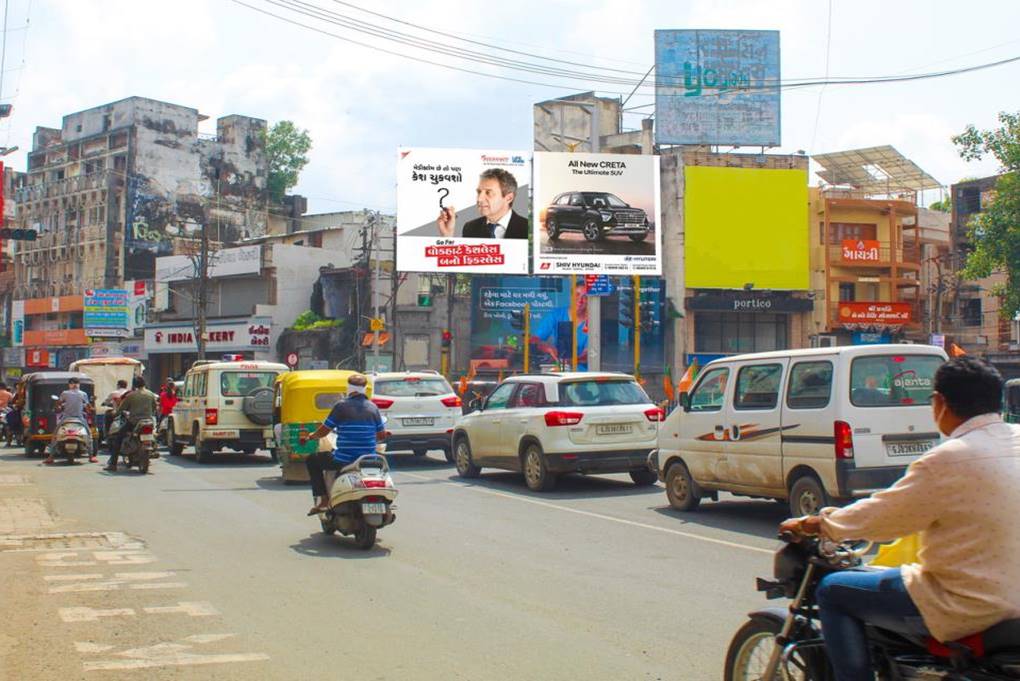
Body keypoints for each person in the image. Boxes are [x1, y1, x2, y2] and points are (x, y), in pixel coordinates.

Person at [779, 357, 1020, 681]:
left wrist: (819, 523)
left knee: (833, 590)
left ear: (940, 403)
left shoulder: (948, 459)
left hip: (967, 604)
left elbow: (884, 515)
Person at [299, 374, 385, 515]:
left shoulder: (341, 406)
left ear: (349, 389)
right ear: (364, 389)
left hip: (344, 460)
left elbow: (324, 431)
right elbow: (381, 435)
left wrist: (310, 436)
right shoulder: (373, 407)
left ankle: (323, 500)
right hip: (369, 459)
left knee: (312, 460)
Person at [435, 168, 528, 239]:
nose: (479, 199)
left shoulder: (527, 228)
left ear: (509, 198)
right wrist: (447, 235)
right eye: (479, 192)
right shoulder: (470, 228)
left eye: (488, 192)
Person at [104, 376, 158, 472]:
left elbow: (121, 409)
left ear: (134, 385)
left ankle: (113, 464)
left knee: (118, 438)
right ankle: (155, 449)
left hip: (134, 422)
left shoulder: (131, 395)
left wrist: (115, 413)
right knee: (154, 435)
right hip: (149, 421)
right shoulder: (151, 394)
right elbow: (154, 407)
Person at [44, 377, 95, 464]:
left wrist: (57, 407)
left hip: (66, 418)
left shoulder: (65, 393)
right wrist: (91, 410)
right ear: (79, 385)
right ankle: (91, 456)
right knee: (89, 436)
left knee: (55, 436)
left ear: (69, 385)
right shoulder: (83, 394)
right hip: (79, 418)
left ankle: (50, 457)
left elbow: (58, 405)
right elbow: (88, 407)